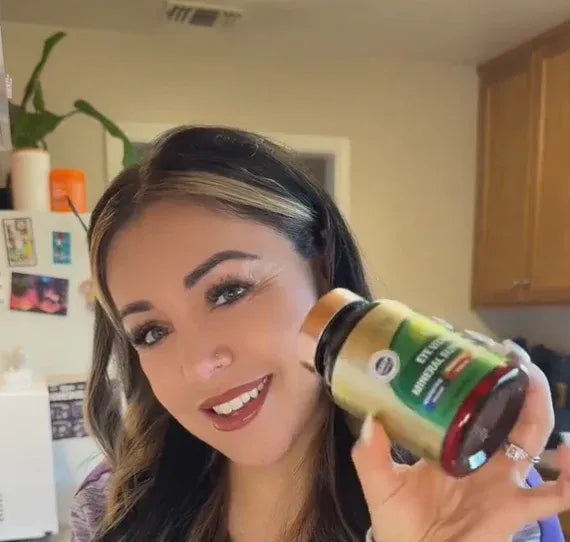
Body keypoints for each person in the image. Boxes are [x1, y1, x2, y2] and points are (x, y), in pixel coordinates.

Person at [71, 126, 569, 541]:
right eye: (152, 332)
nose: (198, 365)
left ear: (321, 268)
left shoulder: (468, 497)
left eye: (228, 292)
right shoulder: (113, 510)